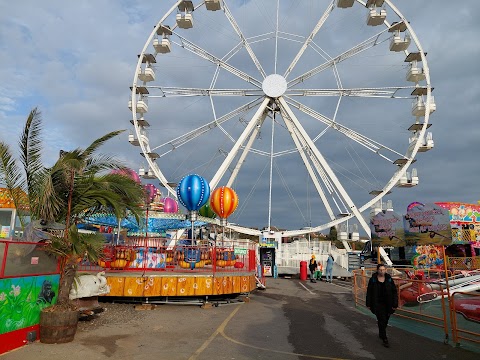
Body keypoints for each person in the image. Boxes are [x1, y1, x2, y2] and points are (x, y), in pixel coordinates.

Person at [366, 263, 398, 348]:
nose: (382, 271)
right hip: (377, 303)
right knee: (381, 319)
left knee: (385, 320)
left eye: (383, 270)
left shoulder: (389, 279)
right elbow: (369, 292)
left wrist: (395, 303)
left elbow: (394, 291)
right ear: (377, 270)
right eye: (380, 270)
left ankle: (381, 331)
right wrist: (368, 303)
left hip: (388, 303)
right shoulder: (373, 279)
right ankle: (385, 338)